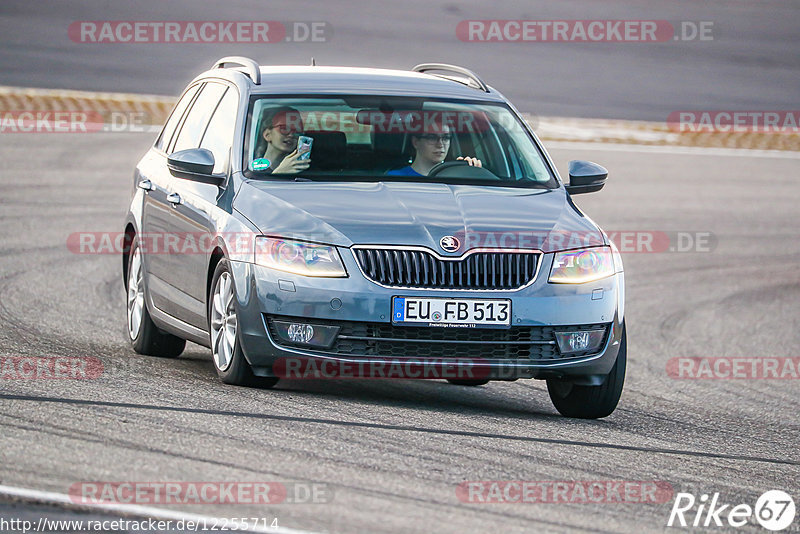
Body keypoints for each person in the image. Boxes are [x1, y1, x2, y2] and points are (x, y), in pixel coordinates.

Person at [387, 122, 481, 177]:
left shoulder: (457, 175)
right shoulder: (396, 177)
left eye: (446, 138)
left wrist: (473, 173)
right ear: (415, 142)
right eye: (432, 137)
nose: (440, 144)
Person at [253, 106, 310, 175]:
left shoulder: (306, 172)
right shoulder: (250, 169)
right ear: (267, 135)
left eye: (297, 131)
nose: (291, 135)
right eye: (284, 128)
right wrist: (279, 172)